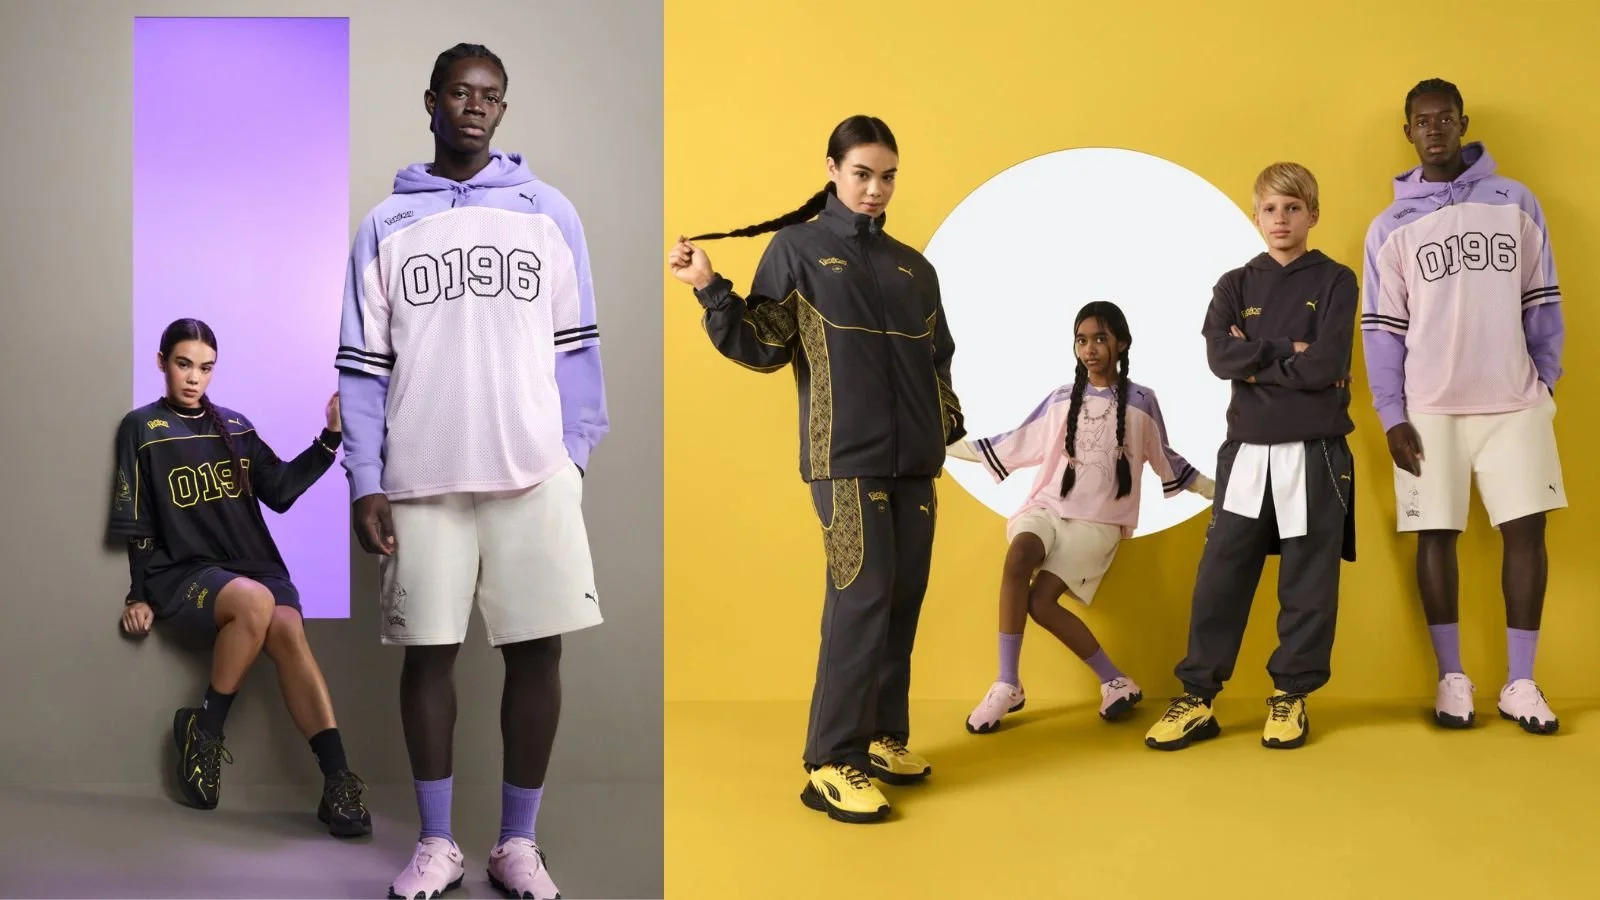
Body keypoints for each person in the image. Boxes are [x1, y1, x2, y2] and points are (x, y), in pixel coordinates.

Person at [334, 43, 606, 900]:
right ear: (432, 102)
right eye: (460, 91)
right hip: (420, 479)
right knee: (428, 656)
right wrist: (365, 477)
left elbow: (578, 348)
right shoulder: (386, 224)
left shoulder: (548, 212)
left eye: (490, 95)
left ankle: (516, 845)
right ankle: (438, 843)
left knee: (538, 653)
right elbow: (360, 369)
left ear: (502, 108)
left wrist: (575, 454)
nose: (476, 106)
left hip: (533, 473)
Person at [668, 115, 964, 825]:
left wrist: (944, 429)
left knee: (902, 597)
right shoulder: (798, 249)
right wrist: (710, 288)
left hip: (915, 463)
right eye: (861, 173)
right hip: (846, 461)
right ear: (832, 170)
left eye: (887, 175)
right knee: (861, 599)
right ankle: (833, 760)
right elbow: (765, 343)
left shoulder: (912, 267)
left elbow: (938, 361)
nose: (875, 188)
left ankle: (883, 737)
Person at [107, 318, 370, 836]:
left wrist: (330, 436)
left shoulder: (236, 426)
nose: (193, 378)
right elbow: (137, 522)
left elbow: (281, 491)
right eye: (183, 364)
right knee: (253, 604)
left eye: (205, 368)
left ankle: (337, 781)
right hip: (184, 572)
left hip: (253, 566)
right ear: (162, 363)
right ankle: (205, 732)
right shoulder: (141, 429)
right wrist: (137, 593)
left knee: (288, 628)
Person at [1361, 78, 1565, 735]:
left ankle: (1521, 682)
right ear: (1409, 133)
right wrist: (1391, 413)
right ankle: (1452, 680)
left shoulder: (1517, 202)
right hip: (1430, 411)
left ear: (1463, 122)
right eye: (1422, 122)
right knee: (1435, 535)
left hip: (1513, 405)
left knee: (1526, 536)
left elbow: (1543, 301)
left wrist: (1547, 386)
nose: (1435, 129)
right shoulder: (1389, 226)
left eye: (1445, 118)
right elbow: (1382, 330)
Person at [1143, 162, 1358, 752]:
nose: (1281, 219)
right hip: (1246, 452)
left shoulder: (1336, 281)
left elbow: (1328, 365)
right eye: (1270, 208)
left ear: (1312, 214)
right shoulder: (1235, 284)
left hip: (1315, 454)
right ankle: (1197, 697)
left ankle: (1291, 696)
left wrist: (1259, 357)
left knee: (1308, 582)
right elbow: (1220, 358)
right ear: (1256, 215)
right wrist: (1289, 350)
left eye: (1293, 208)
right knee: (1221, 578)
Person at [947, 301, 1215, 734]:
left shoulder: (1142, 401)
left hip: (1098, 522)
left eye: (1100, 339)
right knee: (1018, 559)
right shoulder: (1060, 399)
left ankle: (1115, 680)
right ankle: (1006, 682)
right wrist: (951, 446)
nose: (1089, 348)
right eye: (1082, 340)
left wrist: (1212, 488)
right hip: (1048, 508)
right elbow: (1018, 440)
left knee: (1040, 602)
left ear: (1121, 344)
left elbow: (1163, 456)